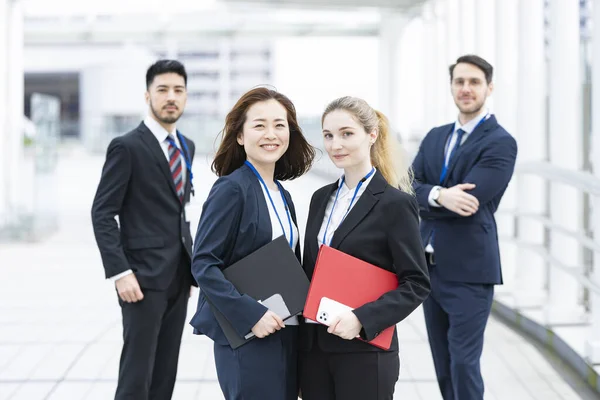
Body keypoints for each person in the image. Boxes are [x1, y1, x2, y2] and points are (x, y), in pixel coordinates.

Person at [298, 96, 431, 400]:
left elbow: (416, 283)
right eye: (328, 135)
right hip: (314, 351)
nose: (335, 145)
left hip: (364, 352)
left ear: (371, 136)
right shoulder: (320, 198)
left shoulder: (395, 204)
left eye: (347, 134)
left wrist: (361, 319)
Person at [189, 87, 315, 400]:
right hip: (248, 332)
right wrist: (251, 315)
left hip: (285, 331)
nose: (271, 134)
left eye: (279, 125)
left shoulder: (283, 195)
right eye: (259, 125)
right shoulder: (231, 189)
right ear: (241, 136)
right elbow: (203, 263)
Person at [411, 54, 518, 400]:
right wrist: (440, 195)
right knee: (442, 364)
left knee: (463, 363)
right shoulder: (435, 137)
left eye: (474, 82)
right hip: (428, 268)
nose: (466, 89)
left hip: (470, 272)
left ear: (490, 87)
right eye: (459, 81)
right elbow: (405, 188)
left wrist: (427, 199)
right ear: (452, 87)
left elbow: (472, 201)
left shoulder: (500, 142)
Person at [91, 59, 195, 400]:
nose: (171, 97)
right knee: (137, 376)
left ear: (185, 97)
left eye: (178, 90)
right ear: (147, 95)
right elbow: (102, 212)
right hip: (141, 279)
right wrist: (120, 272)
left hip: (179, 276)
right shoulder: (127, 146)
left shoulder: (186, 146)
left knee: (166, 373)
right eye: (162, 90)